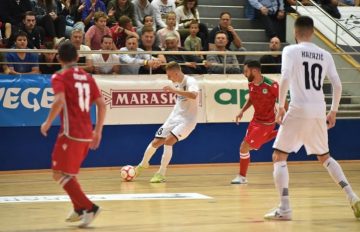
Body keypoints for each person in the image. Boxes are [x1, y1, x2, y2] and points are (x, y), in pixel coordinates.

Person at [264, 16, 360, 220]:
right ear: (313, 33)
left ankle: (285, 208)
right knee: (325, 157)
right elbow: (337, 84)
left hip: (299, 108)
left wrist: (281, 106)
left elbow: (286, 76)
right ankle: (352, 196)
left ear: (295, 33)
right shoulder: (325, 54)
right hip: (319, 109)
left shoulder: (290, 50)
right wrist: (333, 110)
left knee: (279, 156)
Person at [40, 41, 106, 227]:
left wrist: (47, 122)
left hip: (71, 133)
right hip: (87, 132)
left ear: (58, 58)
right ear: (77, 57)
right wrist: (98, 131)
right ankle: (79, 208)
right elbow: (102, 105)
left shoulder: (59, 76)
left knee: (57, 172)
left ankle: (89, 207)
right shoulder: (87, 76)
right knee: (67, 172)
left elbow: (59, 100)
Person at [135, 61, 199, 183]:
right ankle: (142, 164)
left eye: (169, 75)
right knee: (155, 142)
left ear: (176, 72)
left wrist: (174, 91)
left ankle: (161, 173)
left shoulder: (190, 81)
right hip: (174, 117)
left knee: (169, 141)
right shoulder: (175, 82)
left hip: (188, 120)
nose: (168, 78)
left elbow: (194, 95)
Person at [231, 60, 278, 184]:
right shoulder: (251, 84)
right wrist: (242, 110)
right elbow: (251, 99)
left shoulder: (271, 85)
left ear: (255, 71)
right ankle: (280, 133)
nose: (244, 74)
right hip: (255, 120)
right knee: (250, 147)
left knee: (244, 147)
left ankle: (242, 177)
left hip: (267, 123)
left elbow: (283, 100)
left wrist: (286, 115)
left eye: (246, 71)